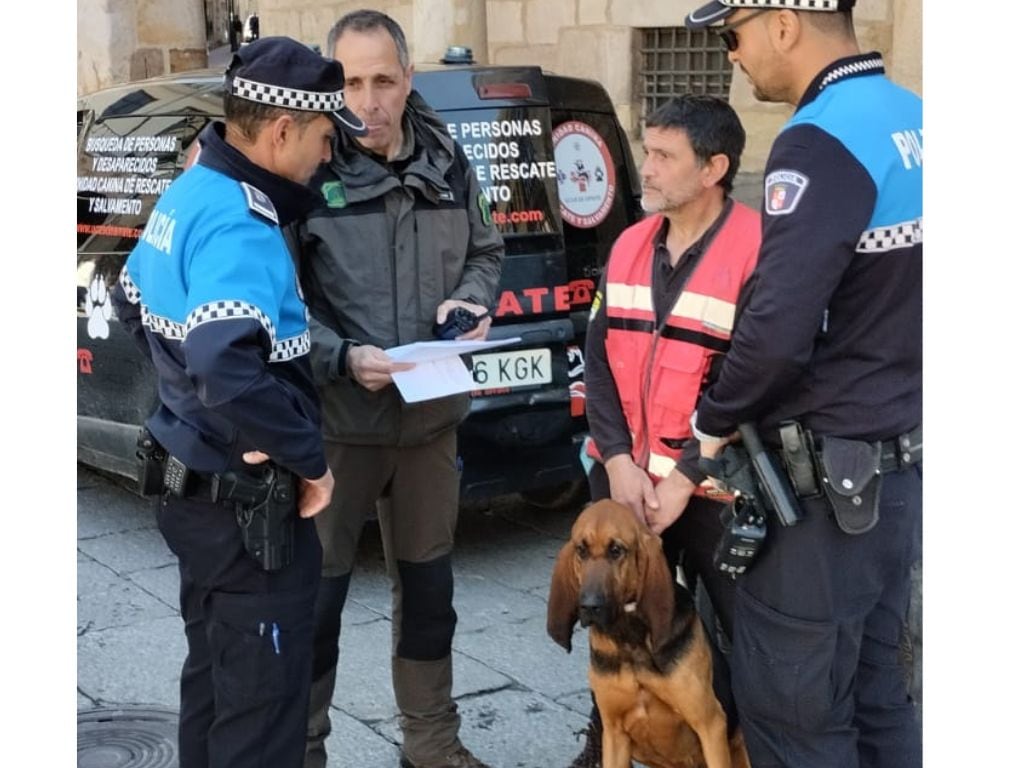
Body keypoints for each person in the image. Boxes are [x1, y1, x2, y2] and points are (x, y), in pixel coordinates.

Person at [110, 36, 369, 768]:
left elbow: (133, 299)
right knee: (260, 721)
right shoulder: (241, 221)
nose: (327, 156)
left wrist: (191, 408)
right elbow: (225, 364)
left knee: (216, 692)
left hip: (197, 500)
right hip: (245, 514)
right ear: (283, 131)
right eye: (324, 138)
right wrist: (310, 460)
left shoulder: (193, 188)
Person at [684, 2, 922, 767]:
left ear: (784, 23)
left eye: (734, 35)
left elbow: (776, 334)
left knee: (796, 717)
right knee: (879, 697)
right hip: (897, 475)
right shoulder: (914, 120)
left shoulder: (817, 140)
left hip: (821, 499)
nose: (733, 56)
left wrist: (711, 421)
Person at [287, 9, 504, 768]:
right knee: (316, 606)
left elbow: (485, 249)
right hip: (338, 428)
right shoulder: (306, 166)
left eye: (384, 80)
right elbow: (278, 302)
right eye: (351, 81)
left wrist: (473, 301)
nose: (368, 100)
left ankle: (433, 746)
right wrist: (344, 356)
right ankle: (303, 749)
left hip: (429, 424)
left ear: (408, 78)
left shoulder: (448, 157)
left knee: (430, 599)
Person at [568, 94, 760, 768]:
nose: (643, 169)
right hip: (627, 478)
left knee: (745, 635)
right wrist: (618, 461)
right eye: (644, 151)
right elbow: (598, 357)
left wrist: (684, 476)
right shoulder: (627, 244)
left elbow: (751, 382)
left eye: (661, 156)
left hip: (709, 490)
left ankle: (740, 747)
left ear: (713, 169)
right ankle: (605, 743)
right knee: (610, 618)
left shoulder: (755, 251)